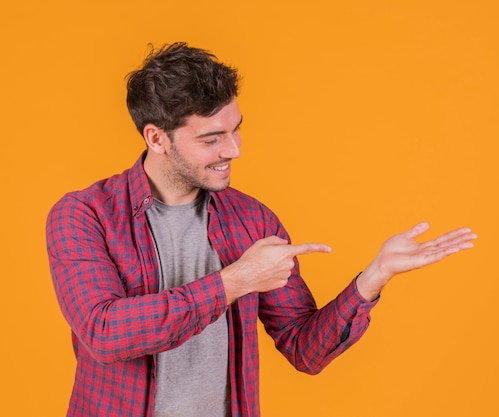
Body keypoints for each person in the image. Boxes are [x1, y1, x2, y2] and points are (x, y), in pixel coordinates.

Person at [46, 42, 476, 417]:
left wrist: (373, 278)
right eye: (212, 139)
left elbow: (305, 350)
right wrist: (236, 281)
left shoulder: (251, 219)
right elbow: (104, 333)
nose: (234, 150)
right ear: (157, 139)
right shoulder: (85, 214)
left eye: (236, 130)